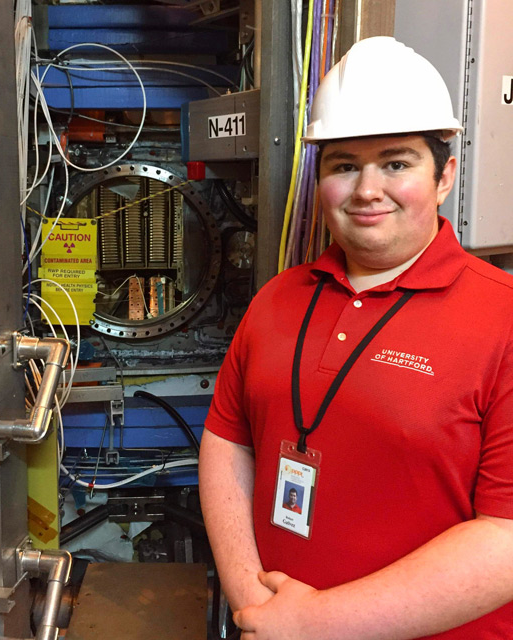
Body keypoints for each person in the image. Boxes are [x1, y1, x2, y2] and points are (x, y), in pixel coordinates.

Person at [199, 36, 513, 640]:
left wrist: (317, 623)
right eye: (345, 165)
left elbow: (505, 535)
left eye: (396, 163)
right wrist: (252, 604)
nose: (368, 189)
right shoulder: (277, 299)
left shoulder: (502, 318)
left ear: (445, 175)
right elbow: (227, 440)